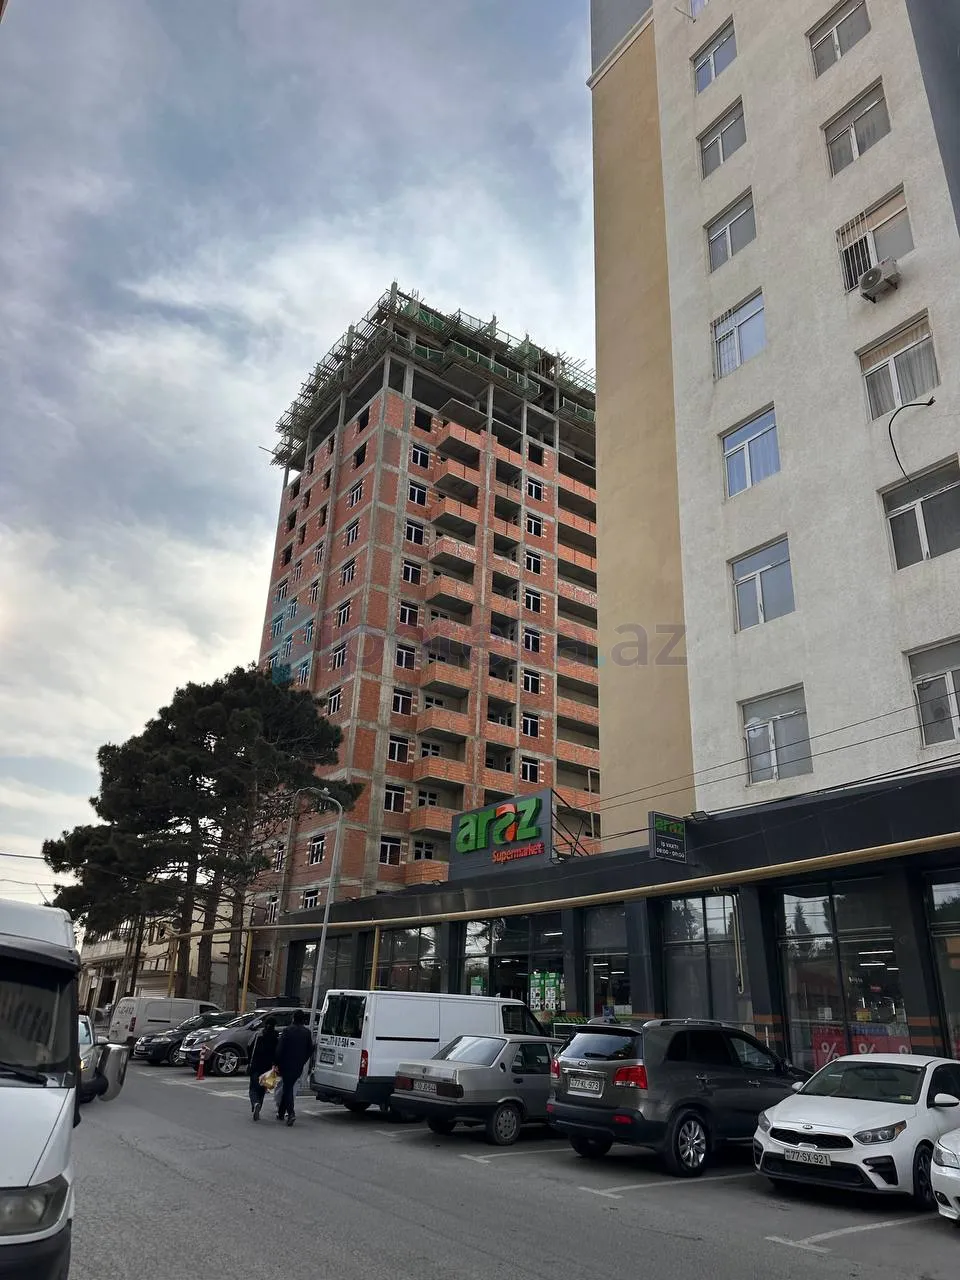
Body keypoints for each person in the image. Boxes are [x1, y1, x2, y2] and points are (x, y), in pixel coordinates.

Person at [274, 1010, 313, 1126]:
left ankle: (291, 1113)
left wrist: (276, 1062)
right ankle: (281, 1113)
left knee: (288, 1088)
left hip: (286, 1064)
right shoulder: (307, 1032)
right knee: (288, 1087)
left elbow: (280, 1048)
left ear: (293, 1018)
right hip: (298, 1065)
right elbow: (310, 1049)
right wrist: (303, 1060)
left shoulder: (287, 1030)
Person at [247, 1016, 279, 1121]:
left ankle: (255, 1103)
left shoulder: (258, 1034)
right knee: (262, 1088)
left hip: (256, 1064)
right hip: (268, 1067)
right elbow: (277, 1052)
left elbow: (249, 1046)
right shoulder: (276, 1037)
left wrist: (249, 1060)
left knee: (253, 1088)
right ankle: (259, 1106)